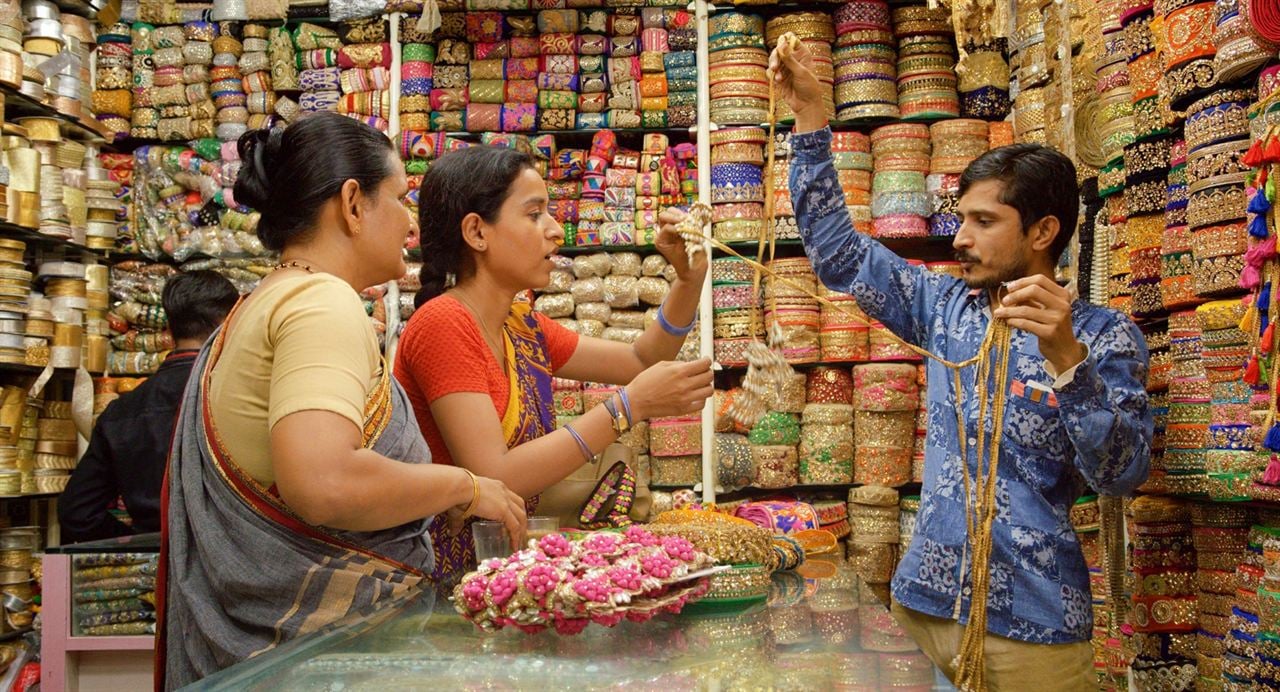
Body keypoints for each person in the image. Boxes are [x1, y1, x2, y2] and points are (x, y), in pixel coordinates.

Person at [769, 35, 1151, 689]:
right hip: (924, 613)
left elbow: (1120, 475)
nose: (962, 238)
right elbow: (837, 253)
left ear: (1042, 232)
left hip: (1035, 629)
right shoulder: (946, 308)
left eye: (982, 221)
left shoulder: (1105, 337)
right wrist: (809, 119)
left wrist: (1067, 361)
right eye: (960, 219)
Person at [159, 112, 527, 688]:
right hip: (315, 665)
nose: (411, 222)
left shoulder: (261, 302)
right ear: (353, 204)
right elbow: (325, 483)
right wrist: (467, 486)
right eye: (401, 197)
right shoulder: (320, 304)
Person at [395, 145, 715, 585]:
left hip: (498, 573)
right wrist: (627, 408)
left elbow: (641, 359)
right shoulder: (444, 324)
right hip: (443, 580)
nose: (555, 230)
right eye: (534, 215)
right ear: (477, 232)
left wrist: (689, 279)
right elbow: (495, 474)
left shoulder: (520, 325)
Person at [59, 270, 238, 544]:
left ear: (168, 327)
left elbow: (77, 513)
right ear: (226, 322)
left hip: (153, 569)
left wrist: (143, 542)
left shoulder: (122, 412)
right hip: (230, 561)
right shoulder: (240, 399)